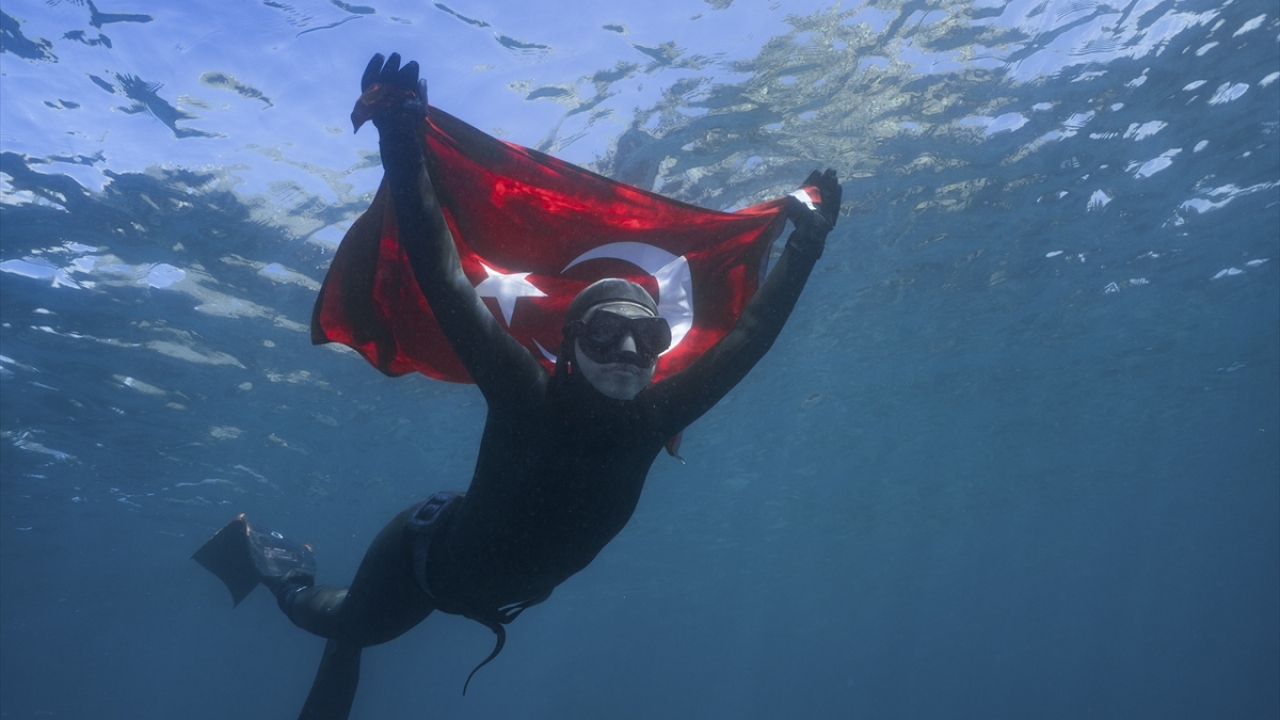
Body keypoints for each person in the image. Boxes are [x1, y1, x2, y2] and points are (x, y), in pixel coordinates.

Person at [193, 52, 841, 720]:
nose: (626, 351)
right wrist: (401, 145)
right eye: (602, 335)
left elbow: (751, 335)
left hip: (474, 577)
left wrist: (805, 249)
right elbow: (444, 280)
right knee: (335, 622)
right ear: (566, 346)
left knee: (352, 642)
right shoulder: (524, 393)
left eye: (647, 339)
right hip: (417, 559)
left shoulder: (658, 413)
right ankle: (278, 565)